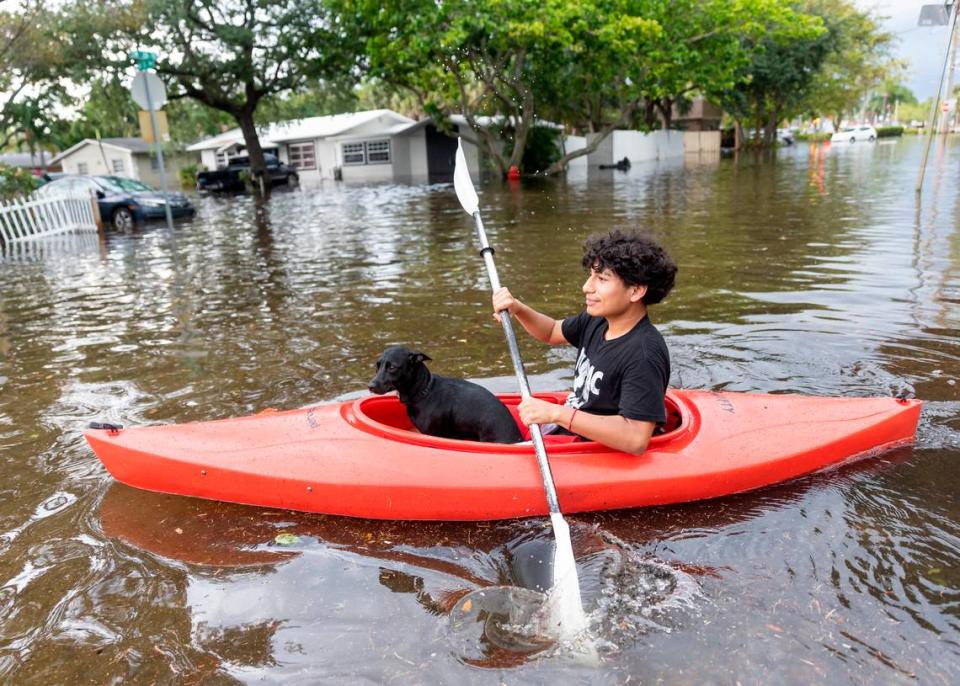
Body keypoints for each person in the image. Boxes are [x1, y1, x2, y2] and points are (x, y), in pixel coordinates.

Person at [492, 230, 677, 455]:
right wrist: (518, 309)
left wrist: (556, 414)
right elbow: (551, 331)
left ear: (636, 291)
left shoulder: (644, 353)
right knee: (487, 411)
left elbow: (635, 438)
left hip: (590, 444)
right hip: (570, 422)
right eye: (591, 275)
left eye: (601, 279)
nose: (587, 287)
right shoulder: (596, 320)